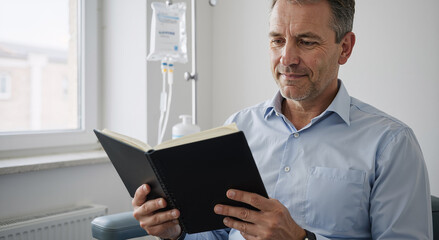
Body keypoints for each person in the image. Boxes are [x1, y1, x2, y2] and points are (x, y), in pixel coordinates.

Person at [132, 0, 433, 239]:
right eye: (277, 40)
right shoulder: (238, 127)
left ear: (345, 48)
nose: (287, 58)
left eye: (306, 42)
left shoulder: (391, 144)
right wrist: (176, 232)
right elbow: (219, 233)